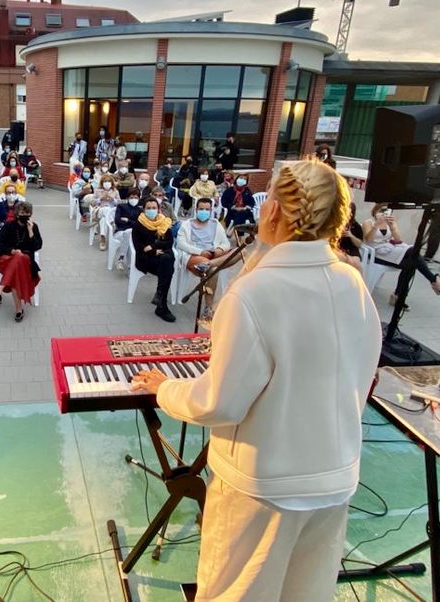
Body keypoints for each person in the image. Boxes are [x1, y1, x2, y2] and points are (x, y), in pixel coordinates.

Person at [131, 159, 382, 602]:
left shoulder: (253, 293)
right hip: (336, 477)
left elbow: (219, 403)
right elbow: (361, 376)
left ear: (275, 213)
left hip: (264, 488)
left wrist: (163, 388)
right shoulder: (353, 283)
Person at [363, 203, 440, 302]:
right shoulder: (368, 222)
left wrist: (392, 227)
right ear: (375, 211)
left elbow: (398, 239)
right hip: (375, 253)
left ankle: (398, 296)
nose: (384, 213)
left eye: (386, 211)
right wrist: (376, 225)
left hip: (389, 251)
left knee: (411, 262)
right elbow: (368, 239)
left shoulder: (389, 223)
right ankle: (434, 280)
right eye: (381, 210)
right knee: (413, 253)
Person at [175, 198, 234, 317]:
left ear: (211, 210)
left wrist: (220, 250)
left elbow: (226, 243)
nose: (204, 212)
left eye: (207, 209)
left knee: (239, 251)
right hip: (196, 256)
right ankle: (209, 307)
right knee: (213, 271)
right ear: (196, 209)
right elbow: (180, 244)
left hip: (214, 255)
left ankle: (211, 264)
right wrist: (200, 251)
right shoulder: (187, 224)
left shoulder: (215, 224)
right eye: (201, 209)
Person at [0, 201, 42, 322]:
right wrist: (12, 251)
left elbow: (37, 246)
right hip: (6, 259)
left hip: (25, 262)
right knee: (18, 259)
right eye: (22, 212)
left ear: (30, 214)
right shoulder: (8, 226)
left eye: (27, 213)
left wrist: (31, 232)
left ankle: (0, 288)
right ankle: (18, 310)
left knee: (20, 259)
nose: (24, 215)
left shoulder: (33, 226)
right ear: (16, 213)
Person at [131, 197, 176, 322]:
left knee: (166, 260)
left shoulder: (164, 222)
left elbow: (169, 242)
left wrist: (152, 245)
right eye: (148, 208)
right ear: (144, 210)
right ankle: (161, 303)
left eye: (154, 208)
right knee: (167, 265)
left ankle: (161, 302)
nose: (151, 210)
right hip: (146, 260)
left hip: (162, 256)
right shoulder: (138, 224)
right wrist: (154, 249)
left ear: (159, 209)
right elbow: (139, 247)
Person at [87, 174, 120, 251]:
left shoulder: (115, 191)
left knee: (104, 220)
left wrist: (112, 199)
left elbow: (119, 203)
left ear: (112, 183)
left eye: (109, 181)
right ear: (102, 183)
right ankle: (112, 224)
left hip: (111, 212)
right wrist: (100, 199)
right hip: (100, 210)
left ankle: (103, 239)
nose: (107, 183)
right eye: (105, 181)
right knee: (106, 209)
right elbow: (92, 202)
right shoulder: (97, 190)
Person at [337, 202, 364, 272]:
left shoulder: (356, 226)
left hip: (351, 249)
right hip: (337, 247)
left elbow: (359, 244)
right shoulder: (336, 222)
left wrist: (351, 235)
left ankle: (358, 282)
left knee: (356, 265)